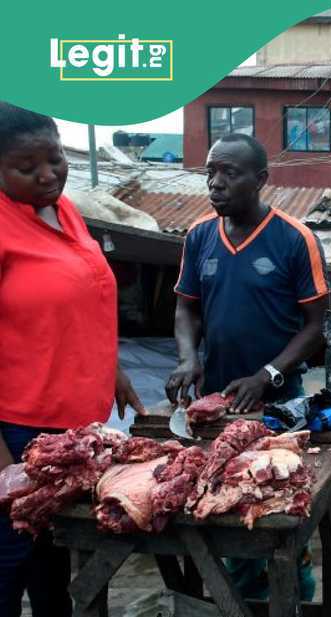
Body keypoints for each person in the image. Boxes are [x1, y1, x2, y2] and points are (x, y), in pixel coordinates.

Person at [164, 133, 330, 601]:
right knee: (222, 505)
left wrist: (267, 375)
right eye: (210, 173)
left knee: (278, 507)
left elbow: (317, 325)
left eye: (229, 173)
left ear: (260, 180)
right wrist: (188, 357)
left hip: (278, 400)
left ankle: (291, 597)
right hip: (215, 403)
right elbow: (186, 308)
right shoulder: (199, 236)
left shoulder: (294, 238)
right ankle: (236, 600)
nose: (215, 183)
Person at [0, 102, 145, 616]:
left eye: (55, 159)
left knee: (53, 559)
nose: (47, 175)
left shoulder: (66, 211)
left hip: (76, 427)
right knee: (9, 558)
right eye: (26, 167)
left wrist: (112, 369)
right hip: (19, 428)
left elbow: (85, 302)